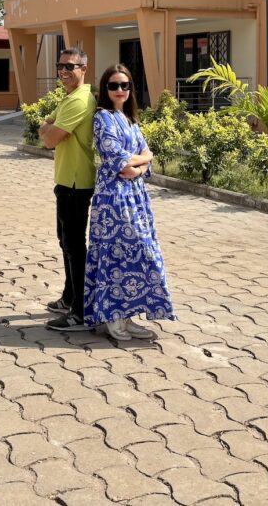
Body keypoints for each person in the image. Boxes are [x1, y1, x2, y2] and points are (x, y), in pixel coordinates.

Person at [83, 63, 175, 341]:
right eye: (114, 85)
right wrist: (138, 163)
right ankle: (111, 316)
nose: (120, 90)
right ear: (105, 89)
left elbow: (147, 153)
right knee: (116, 254)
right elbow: (117, 161)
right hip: (113, 200)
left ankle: (128, 313)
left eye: (125, 85)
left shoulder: (131, 119)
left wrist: (139, 163)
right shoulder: (102, 118)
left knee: (139, 253)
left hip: (135, 197)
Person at [39, 46, 97, 331]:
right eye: (60, 66)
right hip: (65, 181)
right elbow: (46, 127)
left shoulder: (80, 101)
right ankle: (69, 296)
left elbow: (50, 138)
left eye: (70, 67)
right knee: (66, 242)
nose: (63, 71)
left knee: (74, 246)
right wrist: (48, 128)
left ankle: (80, 311)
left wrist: (48, 130)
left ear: (83, 69)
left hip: (76, 182)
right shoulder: (69, 98)